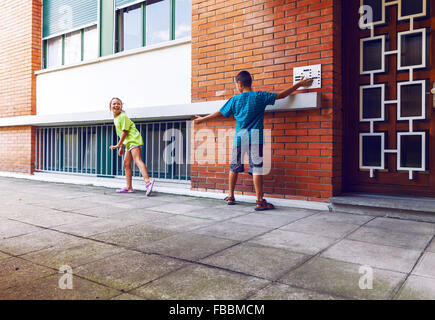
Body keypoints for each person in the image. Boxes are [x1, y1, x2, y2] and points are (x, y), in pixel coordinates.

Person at [193, 71, 313, 211]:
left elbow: (220, 113)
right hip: (255, 137)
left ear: (239, 83)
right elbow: (282, 95)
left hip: (239, 138)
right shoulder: (260, 96)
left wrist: (202, 119)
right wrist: (298, 84)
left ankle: (231, 196)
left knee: (234, 167)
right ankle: (259, 201)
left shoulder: (235, 100)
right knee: (256, 168)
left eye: (235, 84)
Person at [109, 97, 155, 196]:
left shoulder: (122, 116)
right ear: (110, 106)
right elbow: (121, 133)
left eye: (118, 104)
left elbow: (125, 131)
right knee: (126, 163)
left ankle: (148, 181)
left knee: (137, 159)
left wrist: (118, 145)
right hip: (128, 142)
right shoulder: (116, 118)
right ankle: (129, 187)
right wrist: (121, 147)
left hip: (134, 139)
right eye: (114, 104)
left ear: (121, 106)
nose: (116, 105)